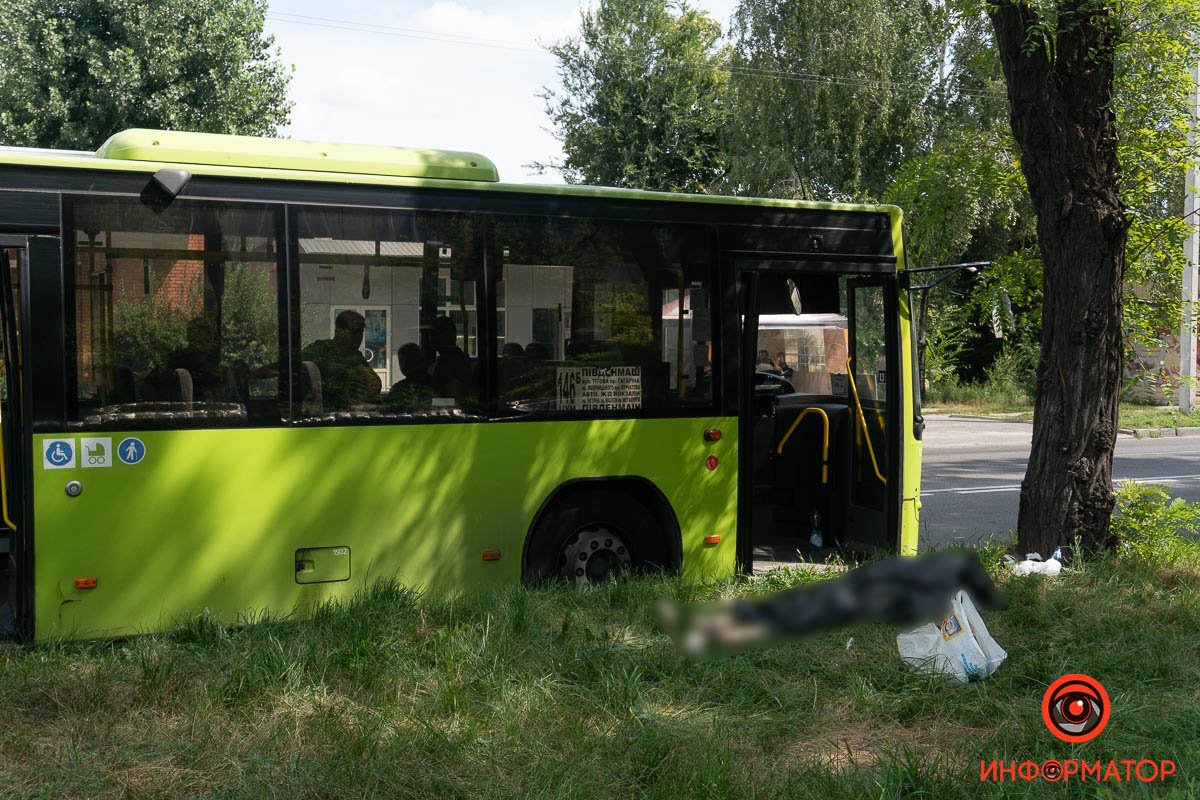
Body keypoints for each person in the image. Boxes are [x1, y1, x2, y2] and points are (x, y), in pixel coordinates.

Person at [301, 310, 382, 410]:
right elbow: (291, 365)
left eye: (360, 333)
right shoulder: (320, 348)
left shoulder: (356, 356)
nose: (358, 338)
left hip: (345, 412)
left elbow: (374, 384)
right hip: (324, 411)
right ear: (338, 331)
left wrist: (356, 402)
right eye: (353, 332)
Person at [429, 315, 473, 402]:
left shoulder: (453, 362)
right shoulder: (455, 359)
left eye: (433, 334)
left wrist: (425, 403)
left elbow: (453, 402)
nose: (431, 338)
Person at [385, 343, 434, 412]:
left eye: (409, 359)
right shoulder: (399, 387)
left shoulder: (399, 388)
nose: (404, 363)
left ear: (420, 360)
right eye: (401, 360)